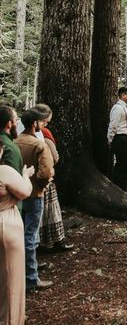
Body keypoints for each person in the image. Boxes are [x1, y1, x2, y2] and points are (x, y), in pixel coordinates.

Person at [15, 108, 54, 293]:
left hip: (17, 194)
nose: (43, 125)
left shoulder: (14, 142)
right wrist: (41, 184)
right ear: (34, 124)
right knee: (30, 236)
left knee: (21, 234)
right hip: (34, 194)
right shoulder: (38, 145)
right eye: (41, 123)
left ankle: (21, 272)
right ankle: (31, 278)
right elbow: (46, 171)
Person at [0, 141, 34, 325]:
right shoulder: (3, 171)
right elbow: (25, 192)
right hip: (5, 225)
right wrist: (25, 174)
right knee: (11, 280)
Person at [33, 104, 73, 252]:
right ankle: (56, 240)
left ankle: (41, 242)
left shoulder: (21, 133)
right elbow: (53, 155)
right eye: (47, 121)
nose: (47, 124)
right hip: (45, 177)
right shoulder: (44, 133)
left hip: (32, 178)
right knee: (51, 210)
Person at [107, 87, 127, 191]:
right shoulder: (118, 108)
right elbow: (113, 125)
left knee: (126, 166)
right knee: (121, 165)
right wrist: (110, 140)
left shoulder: (126, 108)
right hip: (120, 139)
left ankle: (124, 189)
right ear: (123, 95)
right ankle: (117, 189)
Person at [0, 105, 23, 175]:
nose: (17, 123)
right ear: (9, 124)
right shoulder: (10, 148)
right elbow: (14, 180)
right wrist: (25, 175)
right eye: (16, 120)